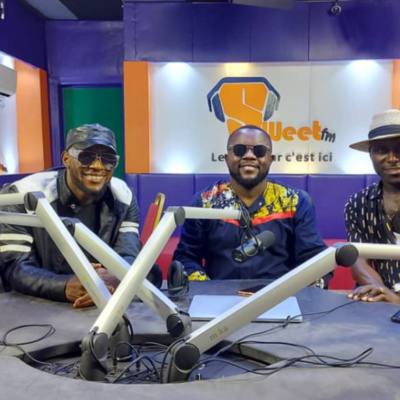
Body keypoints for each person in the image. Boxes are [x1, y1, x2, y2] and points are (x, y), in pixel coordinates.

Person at [0, 123, 142, 308]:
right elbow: (14, 267)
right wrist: (63, 286)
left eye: (108, 159)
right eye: (86, 157)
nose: (97, 166)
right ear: (66, 159)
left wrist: (112, 279)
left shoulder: (123, 196)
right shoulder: (21, 195)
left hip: (101, 302)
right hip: (35, 306)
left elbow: (128, 255)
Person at [173, 124, 329, 285]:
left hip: (281, 296)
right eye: (239, 150)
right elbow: (186, 258)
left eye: (259, 151)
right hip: (218, 296)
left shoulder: (294, 202)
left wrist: (302, 289)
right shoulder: (205, 202)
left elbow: (315, 259)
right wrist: (207, 289)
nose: (249, 156)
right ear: (227, 159)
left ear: (270, 159)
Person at [345, 109, 400, 305]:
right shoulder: (357, 203)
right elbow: (358, 260)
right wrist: (384, 294)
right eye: (382, 150)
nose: (392, 158)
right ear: (370, 154)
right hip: (380, 300)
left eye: (399, 149)